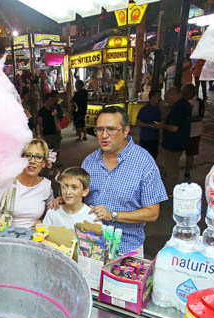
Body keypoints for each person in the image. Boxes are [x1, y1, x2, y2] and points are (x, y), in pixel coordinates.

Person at [81, 107, 168, 256]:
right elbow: (79, 198)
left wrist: (113, 215)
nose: (104, 135)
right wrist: (63, 201)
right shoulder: (89, 162)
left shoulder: (143, 162)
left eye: (111, 129)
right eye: (99, 130)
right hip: (90, 245)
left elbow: (152, 213)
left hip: (126, 250)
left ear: (126, 131)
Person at [0, 139, 54, 229]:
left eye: (38, 157)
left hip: (35, 237)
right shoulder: (6, 181)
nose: (32, 161)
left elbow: (52, 213)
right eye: (28, 156)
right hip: (5, 235)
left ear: (44, 163)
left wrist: (43, 222)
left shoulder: (46, 186)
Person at [161, 87, 192, 193]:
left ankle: (170, 191)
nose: (167, 101)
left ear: (174, 95)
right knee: (173, 166)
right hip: (181, 141)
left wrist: (162, 125)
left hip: (173, 143)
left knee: (171, 170)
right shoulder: (185, 105)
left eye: (167, 98)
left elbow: (174, 128)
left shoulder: (178, 108)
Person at [182, 83, 205, 180]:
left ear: (192, 92)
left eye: (185, 92)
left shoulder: (199, 102)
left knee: (190, 154)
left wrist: (186, 119)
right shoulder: (182, 101)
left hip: (194, 132)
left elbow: (200, 117)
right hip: (182, 131)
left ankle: (187, 172)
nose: (183, 94)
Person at [136, 89, 162, 160]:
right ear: (152, 97)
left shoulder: (159, 109)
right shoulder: (144, 109)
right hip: (146, 138)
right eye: (158, 96)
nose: (160, 98)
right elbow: (138, 122)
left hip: (155, 138)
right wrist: (150, 125)